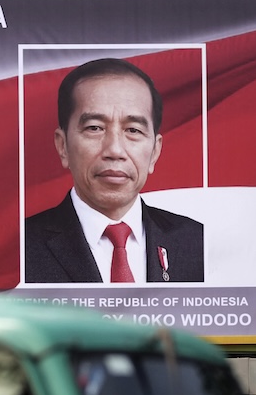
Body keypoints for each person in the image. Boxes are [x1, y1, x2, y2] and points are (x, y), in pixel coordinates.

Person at [24, 58, 203, 284]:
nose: (115, 150)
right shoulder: (20, 248)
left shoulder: (197, 241)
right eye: (94, 128)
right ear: (63, 146)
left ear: (155, 151)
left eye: (133, 130)